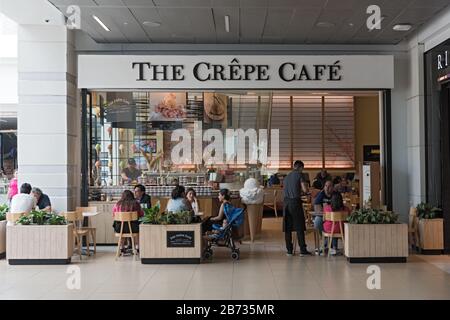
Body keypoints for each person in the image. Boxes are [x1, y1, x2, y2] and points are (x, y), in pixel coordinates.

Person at [283, 160, 312, 256]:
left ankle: (289, 250)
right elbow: (304, 189)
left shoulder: (287, 176)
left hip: (286, 203)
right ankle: (303, 250)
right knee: (299, 226)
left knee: (287, 227)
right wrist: (307, 192)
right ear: (300, 167)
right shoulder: (300, 175)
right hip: (295, 203)